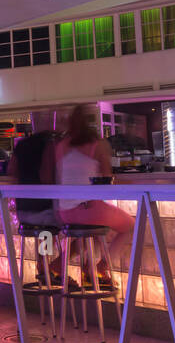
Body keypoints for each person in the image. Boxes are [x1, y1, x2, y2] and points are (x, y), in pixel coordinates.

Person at [55, 104, 134, 288]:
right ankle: (101, 268)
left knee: (85, 234)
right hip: (88, 209)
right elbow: (107, 179)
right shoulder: (97, 144)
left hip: (64, 211)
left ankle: (63, 264)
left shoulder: (61, 146)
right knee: (130, 226)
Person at [9, 130, 70, 289]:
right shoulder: (50, 146)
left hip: (23, 212)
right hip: (44, 212)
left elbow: (11, 172)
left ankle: (44, 265)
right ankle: (49, 266)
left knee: (47, 231)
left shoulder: (21, 145)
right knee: (62, 228)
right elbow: (47, 177)